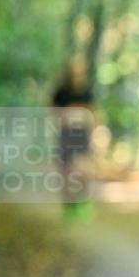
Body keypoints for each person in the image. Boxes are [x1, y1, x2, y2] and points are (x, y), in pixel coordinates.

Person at [51, 58, 95, 221]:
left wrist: (95, 132)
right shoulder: (61, 92)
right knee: (66, 173)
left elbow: (94, 113)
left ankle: (82, 204)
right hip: (65, 136)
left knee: (84, 171)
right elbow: (51, 112)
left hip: (82, 136)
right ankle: (69, 208)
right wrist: (64, 115)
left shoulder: (86, 92)